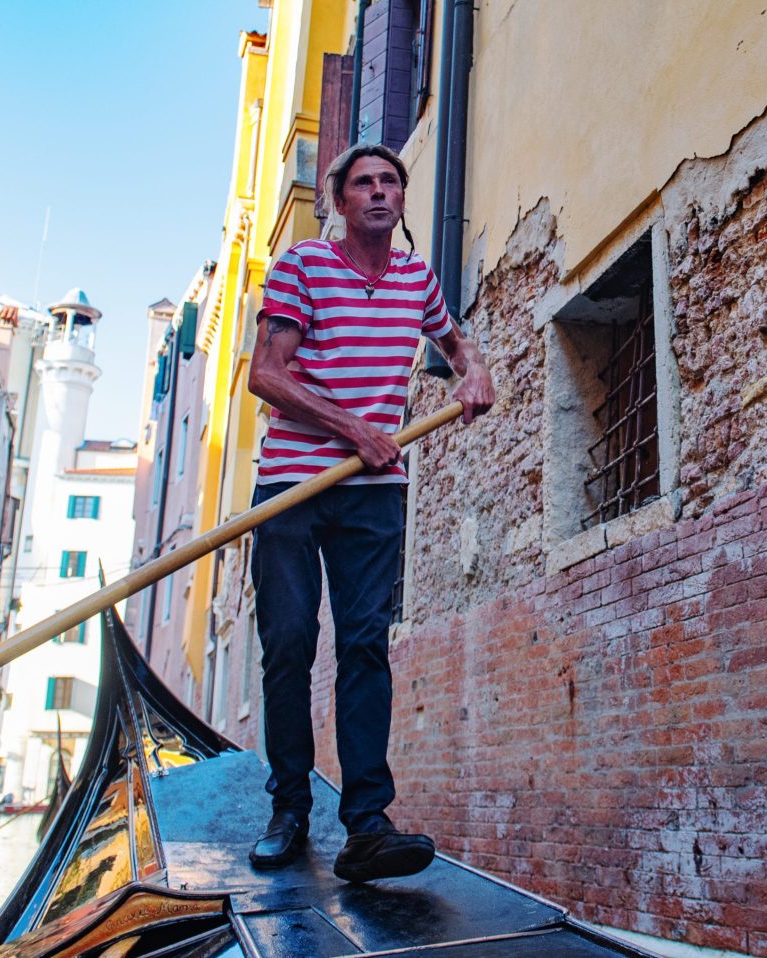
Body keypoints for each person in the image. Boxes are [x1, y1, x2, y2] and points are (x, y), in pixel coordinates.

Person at [246, 142, 495, 883]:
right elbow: (266, 373)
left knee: (363, 648)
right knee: (289, 644)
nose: (379, 192)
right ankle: (289, 810)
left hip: (373, 492)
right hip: (292, 486)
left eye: (391, 182)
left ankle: (366, 827)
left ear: (401, 199)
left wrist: (474, 370)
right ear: (339, 200)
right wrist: (355, 427)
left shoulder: (417, 280)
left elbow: (455, 343)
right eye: (364, 183)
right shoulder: (302, 267)